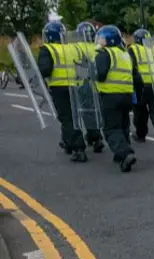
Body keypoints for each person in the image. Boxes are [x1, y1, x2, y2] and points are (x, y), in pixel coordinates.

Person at [38, 21, 88, 162]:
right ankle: (67, 142)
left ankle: (79, 148)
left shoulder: (47, 49)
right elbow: (83, 67)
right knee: (74, 117)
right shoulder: (73, 48)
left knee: (67, 118)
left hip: (60, 87)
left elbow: (45, 70)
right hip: (76, 85)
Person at [94, 25, 137, 172]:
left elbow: (100, 75)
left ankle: (125, 154)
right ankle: (122, 152)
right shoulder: (125, 54)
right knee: (123, 125)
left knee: (111, 128)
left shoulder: (104, 53)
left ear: (109, 39)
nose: (99, 41)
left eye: (101, 38)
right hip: (126, 95)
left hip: (110, 95)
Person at [128, 28, 154, 147]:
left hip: (140, 86)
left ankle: (141, 135)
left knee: (139, 112)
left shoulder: (133, 49)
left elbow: (131, 67)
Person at [76, 21, 106, 154]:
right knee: (97, 110)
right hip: (98, 84)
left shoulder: (77, 47)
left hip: (83, 82)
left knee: (87, 111)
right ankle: (94, 134)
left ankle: (95, 137)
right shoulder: (97, 47)